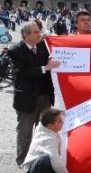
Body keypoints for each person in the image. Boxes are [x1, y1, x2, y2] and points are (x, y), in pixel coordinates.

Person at [7, 22, 60, 165]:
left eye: (39, 31)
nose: (40, 34)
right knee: (25, 132)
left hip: (45, 96)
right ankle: (23, 160)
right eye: (36, 32)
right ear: (26, 35)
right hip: (27, 97)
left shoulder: (43, 46)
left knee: (44, 129)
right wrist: (45, 67)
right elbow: (21, 72)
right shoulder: (15, 50)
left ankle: (42, 158)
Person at [22, 108, 70, 173]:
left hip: (48, 166)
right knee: (45, 159)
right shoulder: (48, 138)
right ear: (50, 126)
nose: (63, 123)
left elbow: (52, 116)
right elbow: (55, 161)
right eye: (60, 122)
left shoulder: (47, 127)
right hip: (32, 169)